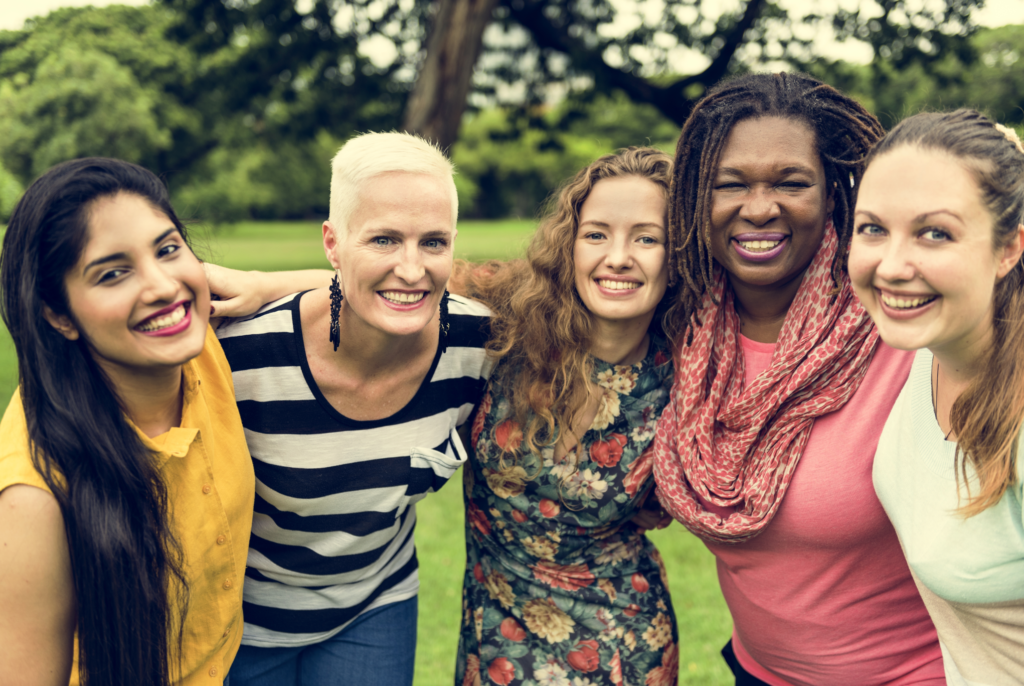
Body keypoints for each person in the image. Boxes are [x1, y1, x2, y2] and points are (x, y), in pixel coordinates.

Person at [651, 72, 946, 685]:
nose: (759, 208)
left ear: (836, 191)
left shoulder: (903, 330)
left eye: (791, 183)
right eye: (729, 185)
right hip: (760, 673)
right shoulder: (680, 328)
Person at [216, 132, 492, 686]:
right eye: (384, 239)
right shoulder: (241, 357)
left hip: (376, 605)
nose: (413, 269)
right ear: (333, 243)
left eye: (433, 242)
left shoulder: (477, 346)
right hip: (243, 623)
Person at [0, 157, 255, 685]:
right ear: (58, 314)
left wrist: (262, 283)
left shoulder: (196, 336)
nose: (162, 286)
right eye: (113, 273)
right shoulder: (32, 499)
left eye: (167, 249)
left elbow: (357, 288)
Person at [453, 147, 684, 686]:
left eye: (647, 238)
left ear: (679, 257)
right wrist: (259, 285)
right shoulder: (510, 315)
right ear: (570, 245)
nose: (619, 257)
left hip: (622, 636)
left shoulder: (686, 373)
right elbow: (394, 287)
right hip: (496, 634)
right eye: (597, 234)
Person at [849, 109, 1024, 685]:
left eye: (935, 233)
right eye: (872, 227)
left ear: (1008, 250)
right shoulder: (924, 349)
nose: (892, 266)